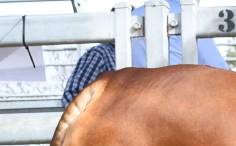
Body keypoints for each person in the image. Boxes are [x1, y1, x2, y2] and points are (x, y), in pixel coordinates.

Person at [62, 0, 227, 105]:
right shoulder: (101, 54)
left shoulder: (139, 16)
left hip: (134, 109)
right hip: (164, 105)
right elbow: (221, 72)